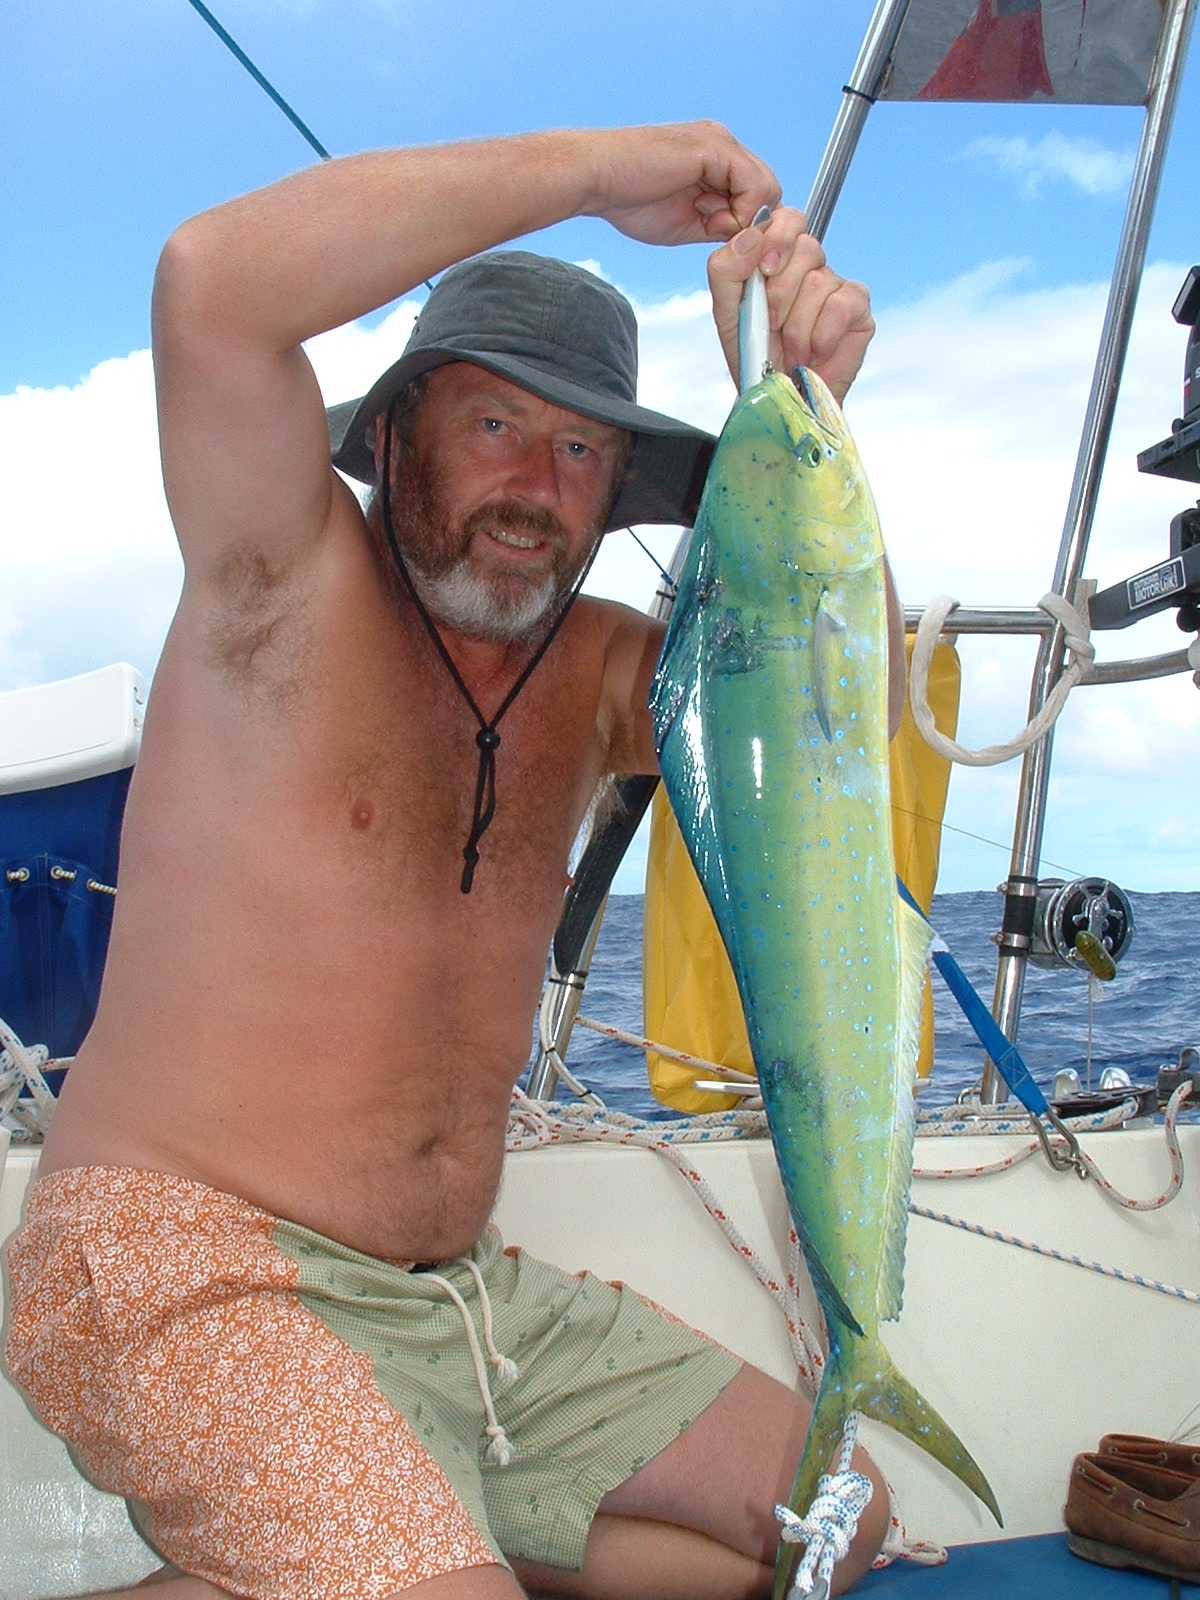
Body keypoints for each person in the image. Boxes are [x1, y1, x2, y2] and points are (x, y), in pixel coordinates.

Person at [5, 123, 888, 1600]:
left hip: (453, 1306)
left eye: (582, 449)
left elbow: (813, 718)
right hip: (174, 1263)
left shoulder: (618, 674)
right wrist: (612, 177)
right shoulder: (273, 575)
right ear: (396, 434)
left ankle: (408, 1546)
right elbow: (209, 280)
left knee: (839, 1520)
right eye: (494, 426)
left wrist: (804, 410)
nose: (537, 486)